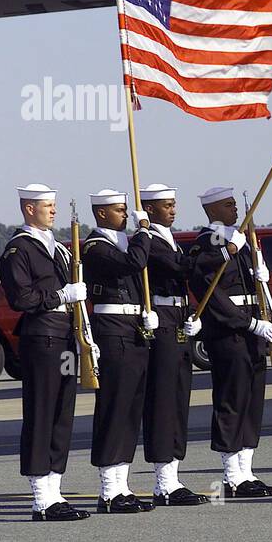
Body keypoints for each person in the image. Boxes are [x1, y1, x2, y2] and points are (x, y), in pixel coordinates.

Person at [0, 183, 91, 521]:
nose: (53, 211)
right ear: (28, 209)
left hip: (65, 337)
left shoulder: (61, 250)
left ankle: (55, 491)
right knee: (41, 414)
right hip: (42, 338)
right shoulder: (18, 250)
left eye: (53, 205)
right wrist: (61, 296)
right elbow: (20, 299)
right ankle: (40, 498)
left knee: (62, 415)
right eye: (46, 205)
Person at [188, 186, 272, 498]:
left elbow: (253, 289)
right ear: (213, 210)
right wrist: (248, 323)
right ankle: (231, 475)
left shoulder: (241, 241)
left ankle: (247, 471)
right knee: (232, 401)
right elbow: (210, 293)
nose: (236, 210)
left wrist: (267, 314)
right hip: (229, 333)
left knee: (252, 402)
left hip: (254, 332)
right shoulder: (209, 242)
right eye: (228, 206)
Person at [82, 189, 157, 512]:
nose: (125, 215)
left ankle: (122, 485)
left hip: (134, 328)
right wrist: (144, 231)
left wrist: (146, 310)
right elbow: (133, 262)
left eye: (125, 210)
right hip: (111, 330)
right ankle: (108, 490)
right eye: (118, 210)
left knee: (130, 409)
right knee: (114, 408)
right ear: (101, 214)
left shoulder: (123, 241)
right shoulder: (96, 246)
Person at [138, 183, 210, 505]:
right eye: (166, 205)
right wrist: (220, 252)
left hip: (179, 320)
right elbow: (180, 269)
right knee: (164, 401)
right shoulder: (150, 242)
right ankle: (163, 481)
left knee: (180, 400)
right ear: (150, 209)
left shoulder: (170, 240)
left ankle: (174, 475)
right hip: (162, 322)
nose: (173, 209)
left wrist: (193, 314)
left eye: (174, 204)